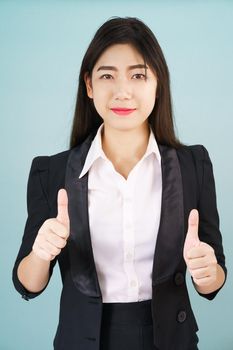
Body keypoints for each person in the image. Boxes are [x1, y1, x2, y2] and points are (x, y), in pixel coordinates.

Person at [12, 16, 227, 350]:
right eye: (107, 75)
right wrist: (40, 253)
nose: (122, 91)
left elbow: (213, 280)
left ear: (158, 84)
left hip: (170, 339)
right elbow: (27, 283)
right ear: (89, 85)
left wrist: (207, 271)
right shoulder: (52, 172)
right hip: (84, 340)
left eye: (138, 75)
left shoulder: (192, 166)